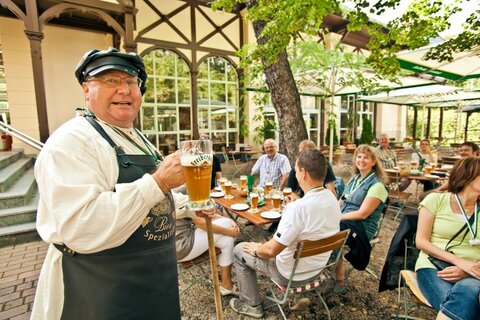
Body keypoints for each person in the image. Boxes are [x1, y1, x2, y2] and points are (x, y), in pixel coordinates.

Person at [31, 48, 209, 319]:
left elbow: (156, 199)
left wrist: (190, 206)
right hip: (103, 288)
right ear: (86, 90)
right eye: (110, 80)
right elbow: (82, 225)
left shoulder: (136, 137)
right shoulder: (70, 142)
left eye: (131, 81)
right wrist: (159, 180)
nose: (124, 90)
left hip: (154, 281)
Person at [229, 149, 341, 318]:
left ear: (303, 173)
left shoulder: (297, 209)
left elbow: (270, 251)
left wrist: (256, 249)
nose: (294, 175)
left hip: (289, 275)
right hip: (317, 269)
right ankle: (297, 296)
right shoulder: (332, 198)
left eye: (295, 171)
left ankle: (251, 305)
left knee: (239, 250)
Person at [415, 157, 480, 320]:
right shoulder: (436, 200)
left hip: (474, 272)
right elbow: (421, 241)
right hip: (434, 266)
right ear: (468, 175)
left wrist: (466, 271)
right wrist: (460, 262)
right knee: (466, 302)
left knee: (467, 292)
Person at [335, 145, 388, 290]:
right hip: (344, 221)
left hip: (362, 227)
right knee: (322, 225)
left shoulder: (377, 186)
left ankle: (335, 274)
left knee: (327, 230)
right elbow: (342, 201)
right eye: (359, 156)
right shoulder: (354, 180)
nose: (361, 160)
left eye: (366, 157)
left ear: (373, 161)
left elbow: (363, 213)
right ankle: (332, 270)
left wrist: (337, 217)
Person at [175, 192, 239, 295]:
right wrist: (229, 230)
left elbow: (207, 214)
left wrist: (228, 219)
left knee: (226, 239)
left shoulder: (175, 191)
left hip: (179, 243)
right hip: (181, 245)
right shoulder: (176, 194)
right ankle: (226, 283)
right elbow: (200, 222)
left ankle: (226, 285)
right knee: (227, 228)